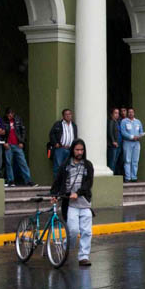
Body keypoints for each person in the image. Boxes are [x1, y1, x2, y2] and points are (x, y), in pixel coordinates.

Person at [48, 137, 94, 267]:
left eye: (81, 150)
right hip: (70, 204)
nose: (79, 152)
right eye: (77, 149)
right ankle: (65, 246)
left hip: (84, 203)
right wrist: (54, 194)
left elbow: (89, 183)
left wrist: (78, 193)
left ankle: (84, 257)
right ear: (72, 150)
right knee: (73, 231)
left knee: (86, 231)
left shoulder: (88, 165)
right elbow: (58, 181)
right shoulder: (66, 165)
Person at [3, 107, 31, 186]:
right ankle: (10, 180)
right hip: (8, 144)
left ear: (13, 113)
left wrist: (21, 142)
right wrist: (4, 142)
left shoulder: (18, 119)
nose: (10, 115)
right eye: (8, 114)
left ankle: (28, 180)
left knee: (23, 162)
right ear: (6, 114)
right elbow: (2, 133)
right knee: (9, 163)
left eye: (11, 114)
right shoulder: (4, 120)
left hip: (17, 144)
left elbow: (23, 130)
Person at [119, 107, 145, 182]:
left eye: (132, 112)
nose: (131, 113)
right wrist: (132, 137)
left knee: (135, 160)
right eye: (129, 112)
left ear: (134, 113)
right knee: (127, 160)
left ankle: (134, 177)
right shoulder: (124, 121)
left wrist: (140, 136)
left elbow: (141, 131)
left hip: (137, 143)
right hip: (127, 142)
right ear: (127, 113)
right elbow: (123, 132)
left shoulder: (138, 122)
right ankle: (128, 177)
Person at [47, 108, 75, 174]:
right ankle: (57, 183)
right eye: (66, 114)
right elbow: (51, 134)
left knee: (69, 167)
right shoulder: (58, 124)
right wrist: (55, 143)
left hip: (70, 149)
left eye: (69, 114)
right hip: (60, 148)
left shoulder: (74, 125)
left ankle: (66, 183)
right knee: (58, 166)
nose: (68, 116)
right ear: (63, 116)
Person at [106, 107, 123, 175]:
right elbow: (110, 132)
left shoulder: (117, 122)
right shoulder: (111, 121)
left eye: (118, 113)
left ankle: (113, 173)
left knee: (116, 161)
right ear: (112, 114)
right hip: (113, 145)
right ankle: (111, 174)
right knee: (112, 161)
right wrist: (113, 141)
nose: (117, 115)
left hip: (119, 144)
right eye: (115, 113)